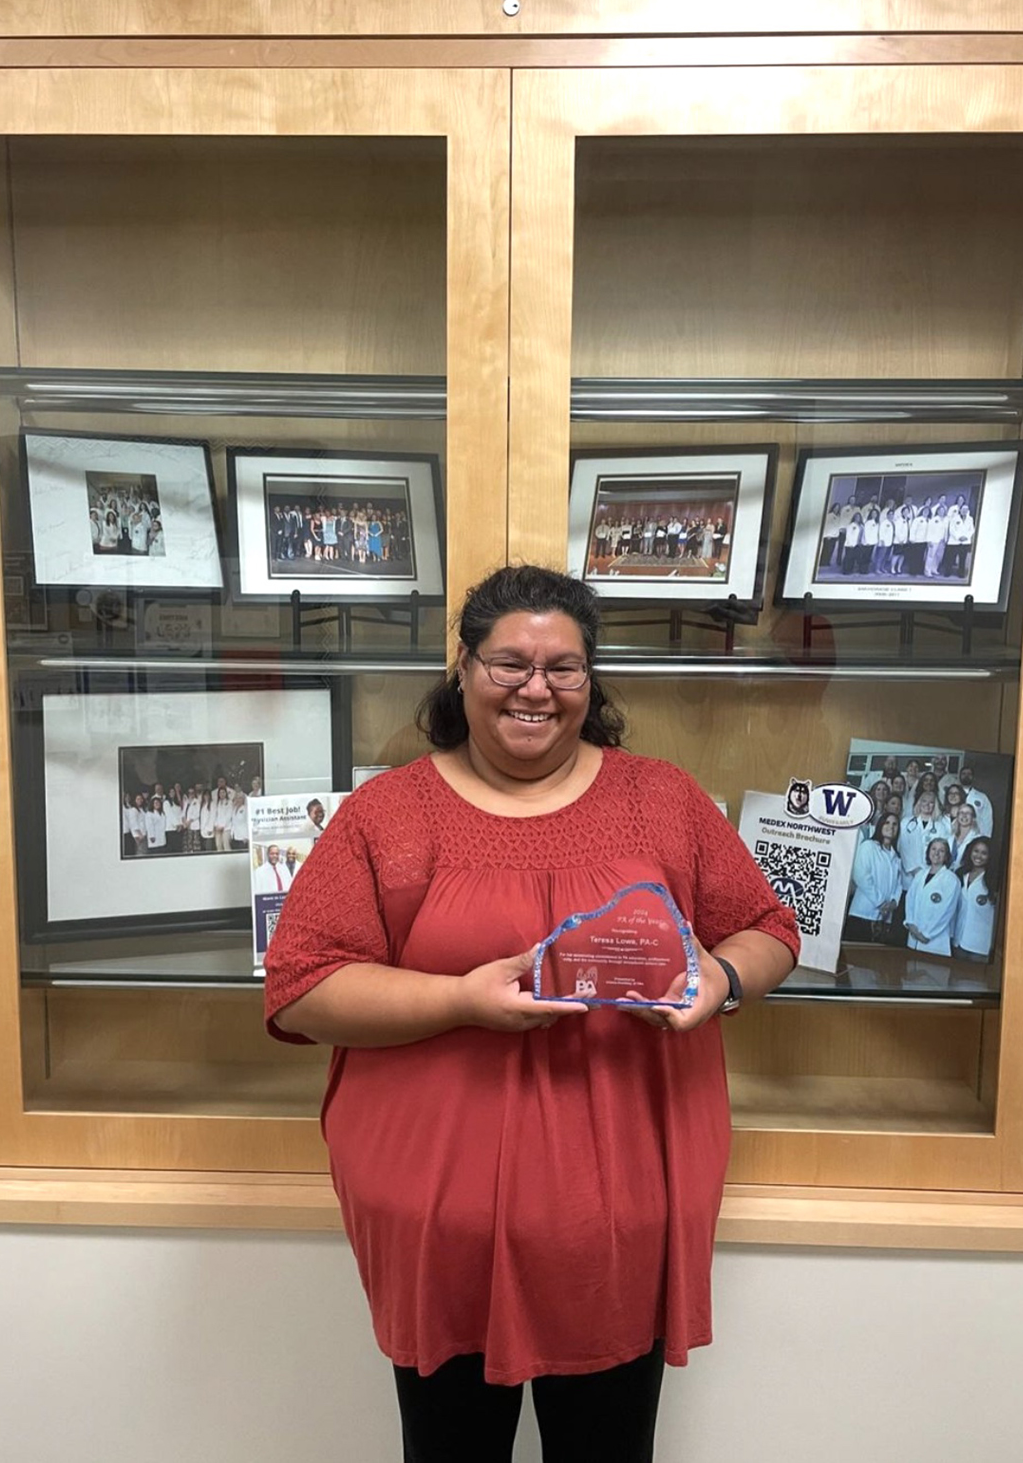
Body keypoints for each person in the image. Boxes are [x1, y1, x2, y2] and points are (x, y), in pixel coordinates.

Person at [262, 565, 799, 1463]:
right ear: (463, 669)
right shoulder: (386, 815)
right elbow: (302, 983)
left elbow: (766, 926)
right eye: (509, 663)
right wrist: (458, 1000)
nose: (536, 690)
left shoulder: (660, 799)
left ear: (591, 682)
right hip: (438, 1219)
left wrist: (723, 982)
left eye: (564, 668)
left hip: (619, 1215)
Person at [845, 812, 903, 945]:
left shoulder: (896, 857)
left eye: (895, 824)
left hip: (884, 918)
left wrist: (894, 902)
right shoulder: (868, 846)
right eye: (887, 822)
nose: (891, 827)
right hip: (862, 915)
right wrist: (881, 902)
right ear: (880, 825)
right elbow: (861, 876)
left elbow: (899, 884)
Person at [904, 836, 961, 956]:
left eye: (941, 850)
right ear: (928, 852)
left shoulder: (951, 879)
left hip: (934, 941)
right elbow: (910, 900)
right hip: (913, 936)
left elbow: (946, 911)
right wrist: (910, 923)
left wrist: (927, 934)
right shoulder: (920, 875)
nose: (936, 853)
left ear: (946, 856)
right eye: (933, 849)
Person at [952, 838, 995, 963]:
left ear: (989, 856)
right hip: (958, 942)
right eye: (976, 851)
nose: (979, 856)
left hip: (980, 947)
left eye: (984, 853)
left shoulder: (992, 880)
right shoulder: (960, 875)